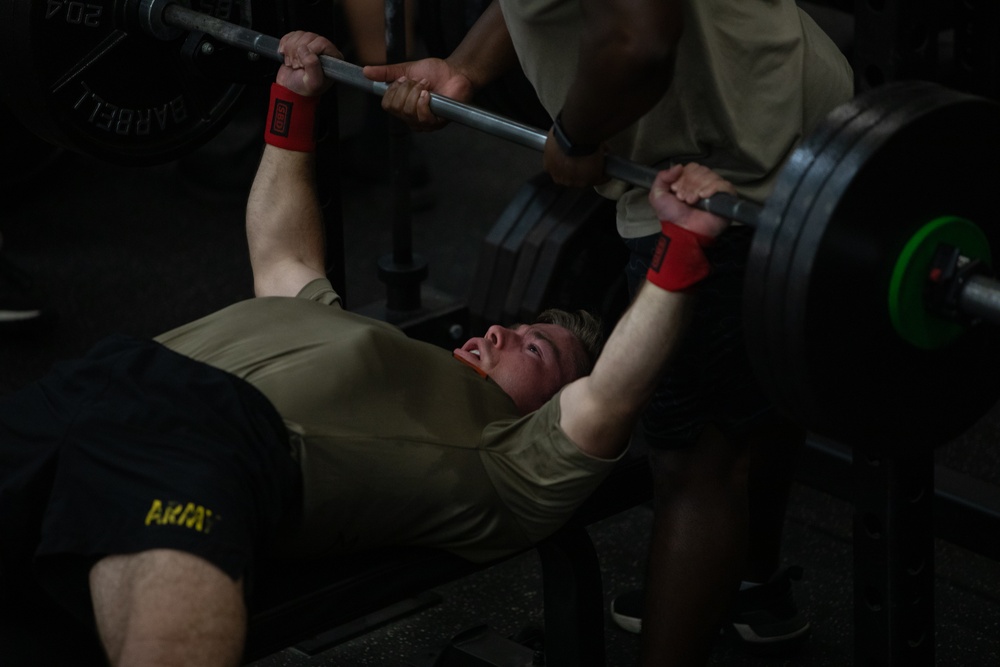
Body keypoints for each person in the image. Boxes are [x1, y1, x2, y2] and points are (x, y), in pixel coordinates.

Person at [0, 31, 737, 666]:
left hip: (209, 439)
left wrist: (679, 243)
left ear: (545, 416)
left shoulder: (513, 463)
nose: (505, 330)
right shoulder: (349, 330)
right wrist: (295, 97)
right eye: (520, 327)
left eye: (537, 351)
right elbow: (284, 254)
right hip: (98, 381)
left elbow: (612, 392)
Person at [363, 0, 854, 663]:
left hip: (724, 160)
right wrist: (464, 69)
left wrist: (575, 136)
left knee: (696, 462)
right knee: (747, 377)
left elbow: (638, 39)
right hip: (784, 108)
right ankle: (751, 584)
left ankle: (725, 589)